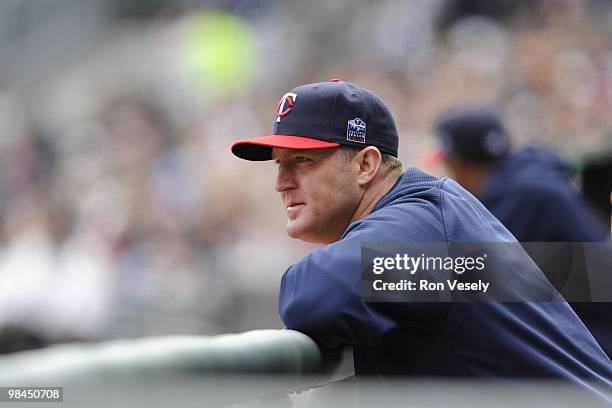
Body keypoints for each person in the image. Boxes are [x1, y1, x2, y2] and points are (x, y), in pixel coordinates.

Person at [230, 80, 611, 395]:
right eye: (279, 164)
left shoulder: (422, 221)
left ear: (366, 165)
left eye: (303, 161)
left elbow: (315, 296)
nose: (281, 183)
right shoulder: (433, 210)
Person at [434, 107, 612, 359]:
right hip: (582, 335)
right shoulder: (527, 180)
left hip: (595, 348)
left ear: (458, 165)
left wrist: (378, 270)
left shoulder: (522, 194)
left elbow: (467, 269)